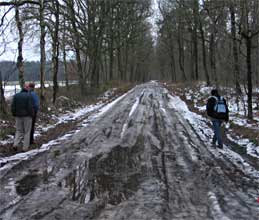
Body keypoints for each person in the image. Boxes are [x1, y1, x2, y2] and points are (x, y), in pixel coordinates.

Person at [11, 84, 34, 151]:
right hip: (27, 116)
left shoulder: (16, 95)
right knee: (27, 132)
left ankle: (15, 144)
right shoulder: (28, 96)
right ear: (27, 89)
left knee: (18, 130)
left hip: (18, 116)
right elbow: (30, 107)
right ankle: (25, 148)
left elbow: (13, 106)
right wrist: (32, 114)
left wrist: (14, 114)